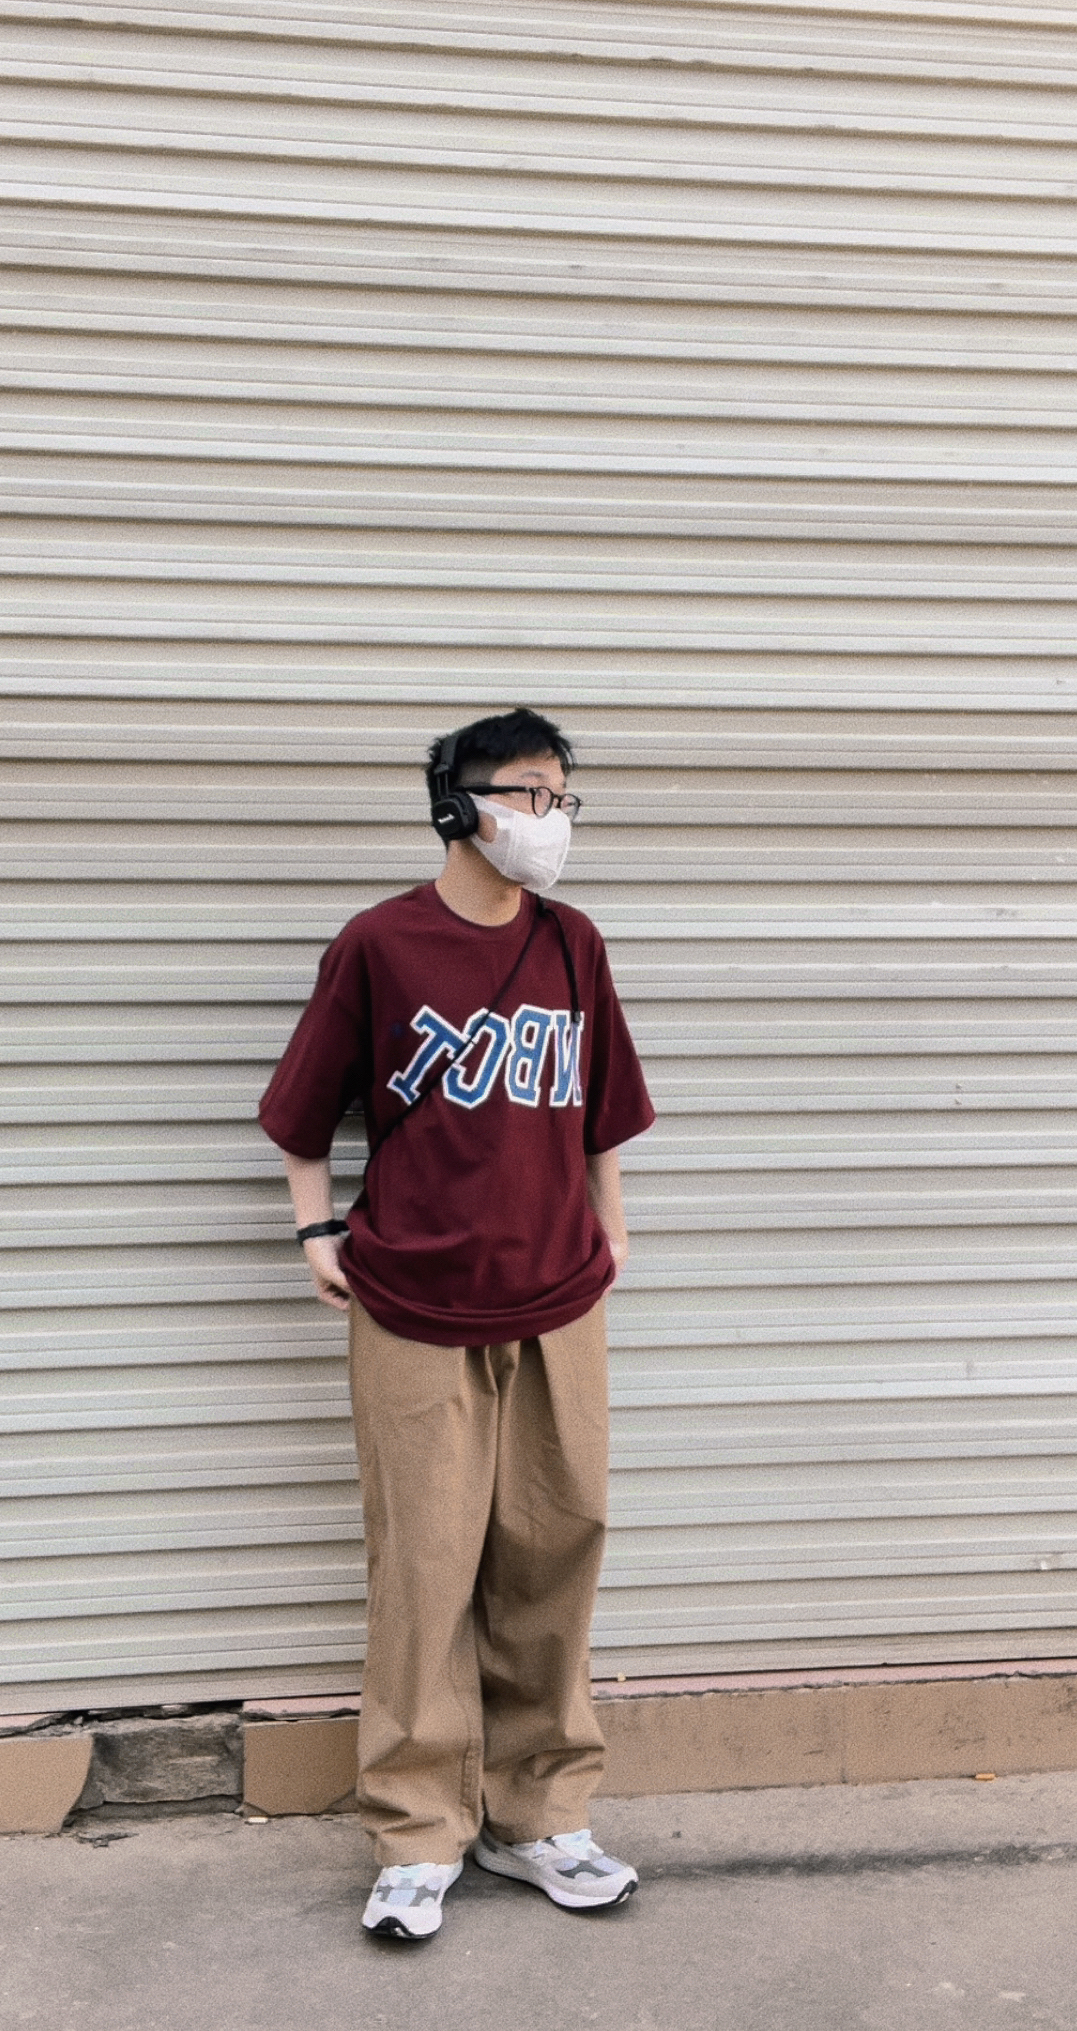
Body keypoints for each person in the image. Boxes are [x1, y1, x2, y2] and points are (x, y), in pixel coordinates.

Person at [258, 707, 655, 1941]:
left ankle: (539, 1815)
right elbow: (301, 1111)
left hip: (557, 1297)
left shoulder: (573, 943)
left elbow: (602, 1108)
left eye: (563, 796)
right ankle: (417, 1830)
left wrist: (613, 1228)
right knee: (425, 1567)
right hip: (414, 1302)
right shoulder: (381, 944)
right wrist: (316, 1231)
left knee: (554, 1551)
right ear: (458, 802)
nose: (551, 818)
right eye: (529, 791)